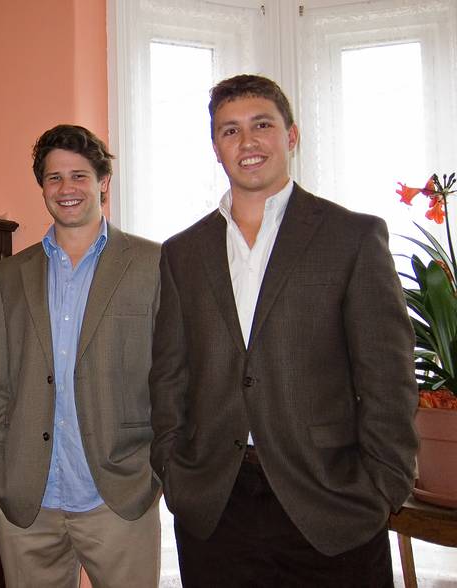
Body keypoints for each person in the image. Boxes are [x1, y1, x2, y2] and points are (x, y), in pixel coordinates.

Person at [149, 74, 418, 587]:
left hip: (331, 504)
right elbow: (168, 375)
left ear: (291, 136)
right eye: (230, 131)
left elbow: (388, 375)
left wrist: (382, 487)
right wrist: (174, 469)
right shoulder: (182, 252)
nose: (247, 142)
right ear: (215, 147)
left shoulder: (352, 237)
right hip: (215, 508)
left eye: (262, 125)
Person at [0, 124, 162, 588]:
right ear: (42, 188)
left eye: (79, 175)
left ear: (103, 183)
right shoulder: (11, 275)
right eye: (54, 178)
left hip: (118, 495)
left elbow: (173, 378)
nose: (66, 189)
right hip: (27, 501)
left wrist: (155, 470)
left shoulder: (153, 264)